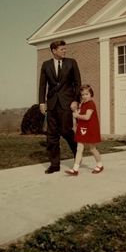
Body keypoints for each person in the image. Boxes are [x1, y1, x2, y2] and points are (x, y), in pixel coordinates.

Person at [38, 40, 81, 174]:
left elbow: (77, 83)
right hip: (52, 104)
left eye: (65, 49)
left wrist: (76, 101)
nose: (64, 51)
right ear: (54, 51)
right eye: (62, 49)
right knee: (51, 135)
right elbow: (42, 85)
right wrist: (41, 102)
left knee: (66, 131)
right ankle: (54, 164)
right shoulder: (46, 65)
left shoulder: (71, 62)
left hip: (66, 103)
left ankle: (78, 154)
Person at [68, 85, 103, 175]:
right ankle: (75, 169)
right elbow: (81, 114)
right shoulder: (83, 104)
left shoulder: (91, 104)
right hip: (83, 128)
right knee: (79, 148)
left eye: (86, 94)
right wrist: (77, 112)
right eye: (82, 95)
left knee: (92, 148)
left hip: (91, 128)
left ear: (91, 94)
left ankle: (100, 165)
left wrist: (77, 116)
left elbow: (87, 117)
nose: (84, 96)